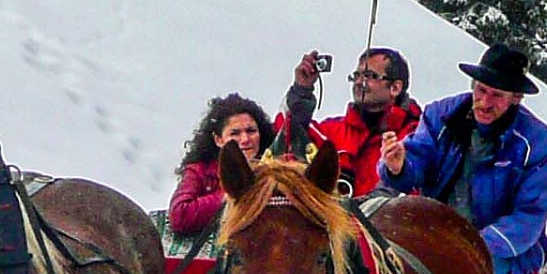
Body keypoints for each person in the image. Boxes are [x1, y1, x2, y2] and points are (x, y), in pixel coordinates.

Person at [379, 42, 547, 274]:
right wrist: (399, 167)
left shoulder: (539, 145)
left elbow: (529, 217)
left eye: (496, 96)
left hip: (500, 249)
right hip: (434, 231)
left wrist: (475, 244)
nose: (484, 102)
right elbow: (418, 161)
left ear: (516, 98)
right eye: (481, 90)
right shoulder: (440, 115)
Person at [279, 46, 422, 197]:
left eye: (369, 75)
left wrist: (365, 209)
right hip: (334, 219)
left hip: (390, 219)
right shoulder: (330, 131)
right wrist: (301, 90)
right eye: (356, 75)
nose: (359, 82)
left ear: (395, 87)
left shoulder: (418, 135)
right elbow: (287, 138)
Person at [169, 94, 271, 239]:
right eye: (235, 133)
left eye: (251, 131)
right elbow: (180, 216)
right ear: (219, 140)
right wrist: (235, 194)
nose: (245, 139)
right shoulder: (200, 171)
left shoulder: (275, 168)